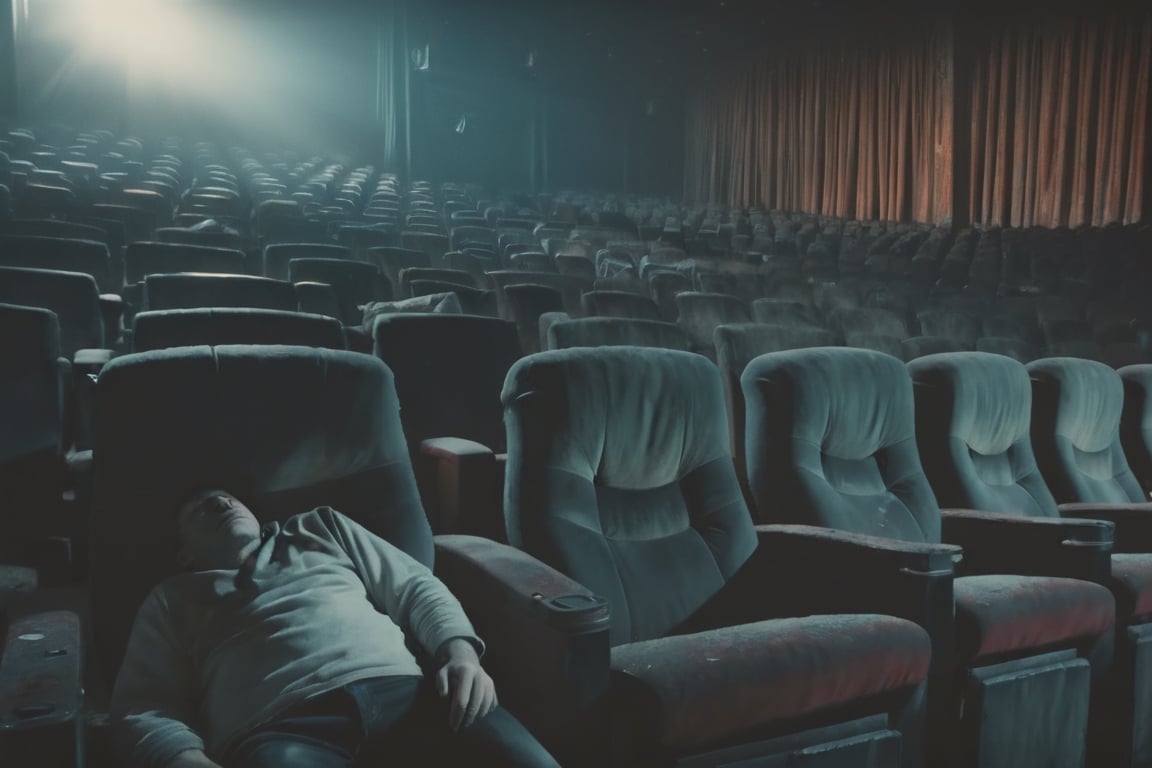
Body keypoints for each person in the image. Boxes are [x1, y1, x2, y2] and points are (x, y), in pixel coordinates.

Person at [110, 489, 560, 768]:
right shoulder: (171, 597)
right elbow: (145, 702)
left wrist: (460, 652)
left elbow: (414, 586)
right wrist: (184, 758)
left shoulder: (321, 527)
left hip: (409, 695)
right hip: (280, 728)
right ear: (184, 553)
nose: (222, 503)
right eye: (202, 509)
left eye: (229, 497)